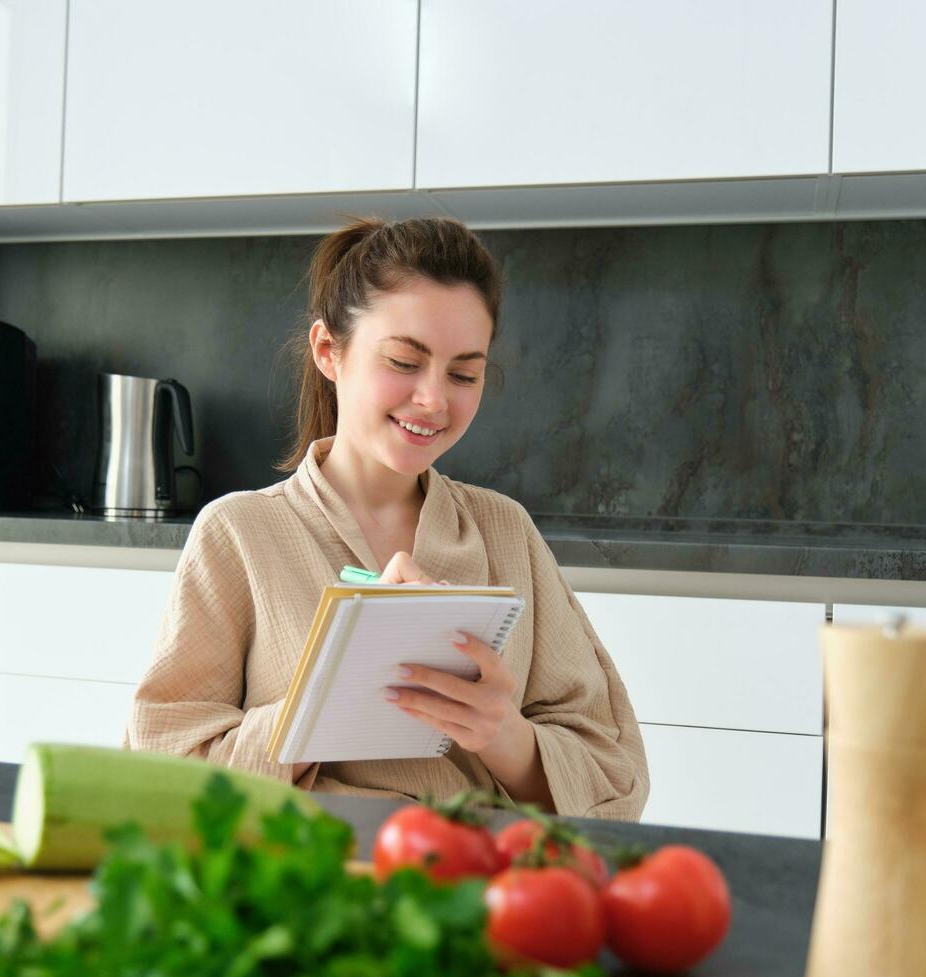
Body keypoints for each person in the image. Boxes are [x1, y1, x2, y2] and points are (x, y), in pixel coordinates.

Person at [127, 216, 648, 818]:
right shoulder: (239, 535)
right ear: (329, 351)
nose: (434, 399)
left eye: (463, 374)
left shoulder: (505, 531)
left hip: (477, 883)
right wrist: (334, 694)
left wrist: (502, 732)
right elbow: (161, 775)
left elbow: (617, 776)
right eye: (404, 361)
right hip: (309, 880)